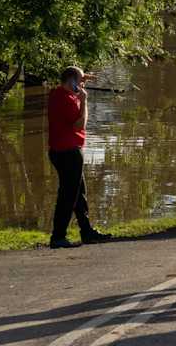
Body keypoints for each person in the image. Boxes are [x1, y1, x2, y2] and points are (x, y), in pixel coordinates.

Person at [47, 66, 110, 249]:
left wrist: (81, 79)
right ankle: (58, 236)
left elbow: (71, 81)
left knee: (78, 193)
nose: (83, 84)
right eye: (80, 81)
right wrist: (84, 101)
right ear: (72, 82)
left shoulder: (57, 94)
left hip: (62, 151)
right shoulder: (67, 100)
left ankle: (87, 231)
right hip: (68, 152)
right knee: (68, 195)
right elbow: (79, 125)